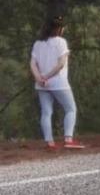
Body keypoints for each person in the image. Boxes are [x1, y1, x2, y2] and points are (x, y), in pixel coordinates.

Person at [30, 16, 84, 150]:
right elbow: (61, 64)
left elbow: (32, 63)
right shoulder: (61, 42)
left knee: (46, 112)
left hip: (41, 84)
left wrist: (39, 78)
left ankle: (49, 142)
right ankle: (68, 139)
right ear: (59, 29)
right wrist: (47, 76)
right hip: (58, 82)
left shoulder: (38, 43)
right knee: (70, 109)